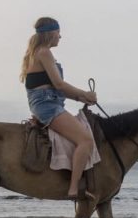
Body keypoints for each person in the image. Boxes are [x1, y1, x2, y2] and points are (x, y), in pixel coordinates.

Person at [21, 17, 98, 200]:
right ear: (50, 33)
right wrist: (85, 93)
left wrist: (81, 98)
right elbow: (59, 84)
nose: (60, 36)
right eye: (58, 32)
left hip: (48, 102)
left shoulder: (38, 53)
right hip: (47, 106)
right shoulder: (44, 52)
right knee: (86, 141)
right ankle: (73, 189)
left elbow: (57, 89)